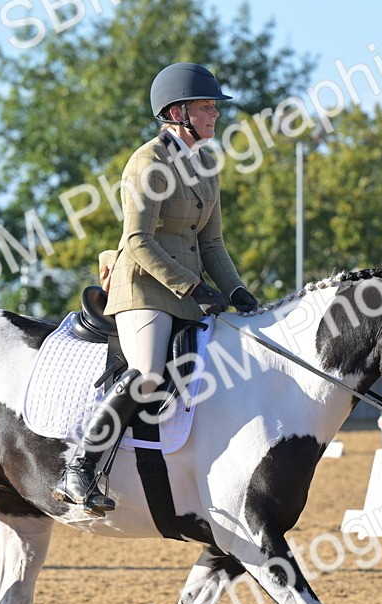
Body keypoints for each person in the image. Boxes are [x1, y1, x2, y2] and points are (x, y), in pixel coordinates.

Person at [52, 62, 259, 515]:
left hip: (188, 291)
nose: (215, 114)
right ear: (177, 112)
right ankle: (80, 467)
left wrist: (237, 291)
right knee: (146, 371)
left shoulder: (206, 165)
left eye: (214, 107)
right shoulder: (147, 163)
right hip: (143, 287)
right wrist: (193, 287)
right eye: (206, 107)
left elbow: (212, 243)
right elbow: (137, 240)